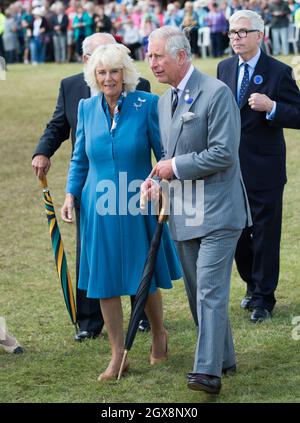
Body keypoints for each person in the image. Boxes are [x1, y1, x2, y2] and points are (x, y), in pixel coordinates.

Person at [61, 43, 182, 381]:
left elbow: (163, 153)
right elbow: (80, 158)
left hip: (135, 201)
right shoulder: (86, 108)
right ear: (93, 76)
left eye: (114, 71)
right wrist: (71, 194)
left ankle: (159, 332)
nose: (108, 78)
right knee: (105, 280)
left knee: (142, 274)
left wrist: (159, 183)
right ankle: (118, 354)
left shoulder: (146, 105)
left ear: (125, 74)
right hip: (97, 208)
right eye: (101, 72)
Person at [143, 26, 251, 395]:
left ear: (181, 56)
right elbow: (169, 156)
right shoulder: (163, 101)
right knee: (196, 293)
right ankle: (224, 357)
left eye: (158, 56)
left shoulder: (216, 93)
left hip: (220, 211)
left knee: (208, 288)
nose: (151, 62)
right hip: (183, 212)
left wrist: (176, 167)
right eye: (150, 55)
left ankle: (207, 372)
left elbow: (224, 152)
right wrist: (157, 178)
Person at [32, 33, 151, 341]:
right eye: (101, 64)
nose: (108, 72)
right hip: (93, 190)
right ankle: (90, 321)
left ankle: (142, 318)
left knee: (138, 257)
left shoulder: (143, 95)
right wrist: (43, 152)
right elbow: (60, 127)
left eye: (115, 63)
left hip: (132, 189)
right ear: (88, 63)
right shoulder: (73, 90)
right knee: (95, 257)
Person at [217, 10, 300, 322]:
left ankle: (264, 298)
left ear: (258, 36)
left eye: (242, 32)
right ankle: (252, 284)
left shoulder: (278, 72)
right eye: (232, 32)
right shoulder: (224, 67)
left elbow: (298, 113)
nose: (235, 38)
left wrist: (273, 107)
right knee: (236, 231)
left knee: (265, 232)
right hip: (229, 167)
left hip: (264, 167)